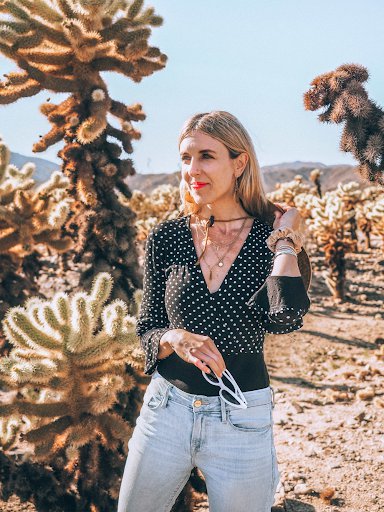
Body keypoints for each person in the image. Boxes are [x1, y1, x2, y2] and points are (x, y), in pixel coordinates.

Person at [117, 111, 311, 512]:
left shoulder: (269, 237)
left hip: (241, 418)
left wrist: (287, 243)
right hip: (165, 412)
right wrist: (173, 337)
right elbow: (147, 329)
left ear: (239, 163)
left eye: (206, 155)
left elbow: (285, 318)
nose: (192, 169)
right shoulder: (166, 236)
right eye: (185, 158)